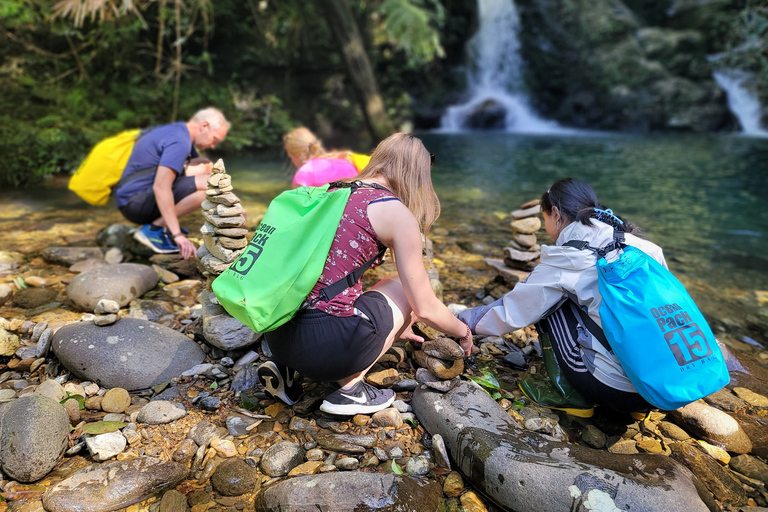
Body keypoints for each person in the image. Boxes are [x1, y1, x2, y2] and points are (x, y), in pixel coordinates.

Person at [257, 133, 474, 415]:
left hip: (277, 332)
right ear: (418, 174)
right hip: (325, 349)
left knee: (366, 286)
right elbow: (426, 307)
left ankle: (285, 371)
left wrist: (397, 323)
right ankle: (350, 391)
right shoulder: (395, 213)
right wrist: (464, 331)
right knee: (402, 289)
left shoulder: (332, 191)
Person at [458, 178, 667, 416]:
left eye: (543, 218)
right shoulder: (644, 246)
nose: (541, 227)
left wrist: (465, 321)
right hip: (659, 387)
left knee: (549, 303)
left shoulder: (571, 255)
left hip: (615, 390)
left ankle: (567, 394)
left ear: (556, 214)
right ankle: (635, 406)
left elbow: (516, 309)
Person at [114, 107, 231, 259]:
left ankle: (164, 223)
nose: (213, 146)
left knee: (206, 166)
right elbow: (161, 187)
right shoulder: (180, 141)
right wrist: (177, 234)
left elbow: (205, 170)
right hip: (135, 203)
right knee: (209, 187)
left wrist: (230, 204)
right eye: (214, 139)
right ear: (204, 126)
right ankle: (154, 229)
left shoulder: (178, 131)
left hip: (132, 197)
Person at [283, 127, 370, 188]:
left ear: (296, 155)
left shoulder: (304, 173)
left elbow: (297, 210)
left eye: (290, 156)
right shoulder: (346, 159)